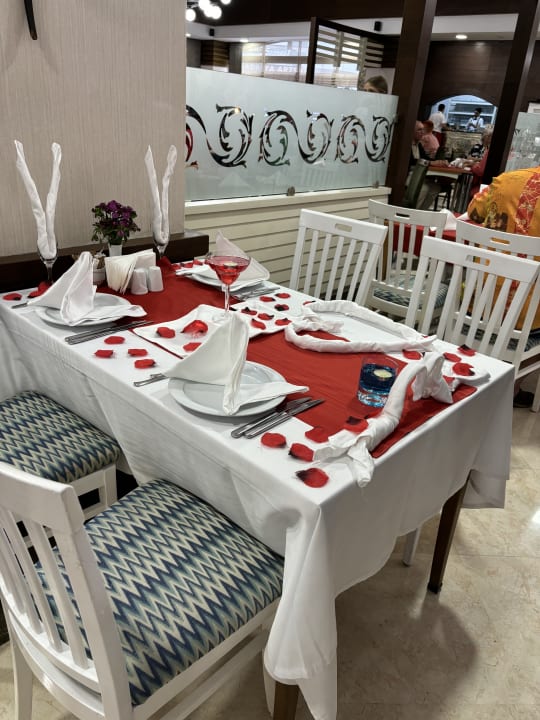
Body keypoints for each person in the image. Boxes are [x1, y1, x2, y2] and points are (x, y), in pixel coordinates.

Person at [467, 165, 540, 408]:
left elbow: (474, 211)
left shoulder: (505, 180)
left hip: (481, 301)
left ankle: (471, 368)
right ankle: (512, 389)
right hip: (528, 318)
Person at [461, 128, 493, 198]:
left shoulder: (489, 150)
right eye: (488, 136)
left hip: (483, 185)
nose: (489, 138)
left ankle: (464, 200)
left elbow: (480, 170)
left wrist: (474, 164)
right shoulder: (478, 146)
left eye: (490, 136)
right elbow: (470, 157)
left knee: (468, 189)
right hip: (486, 183)